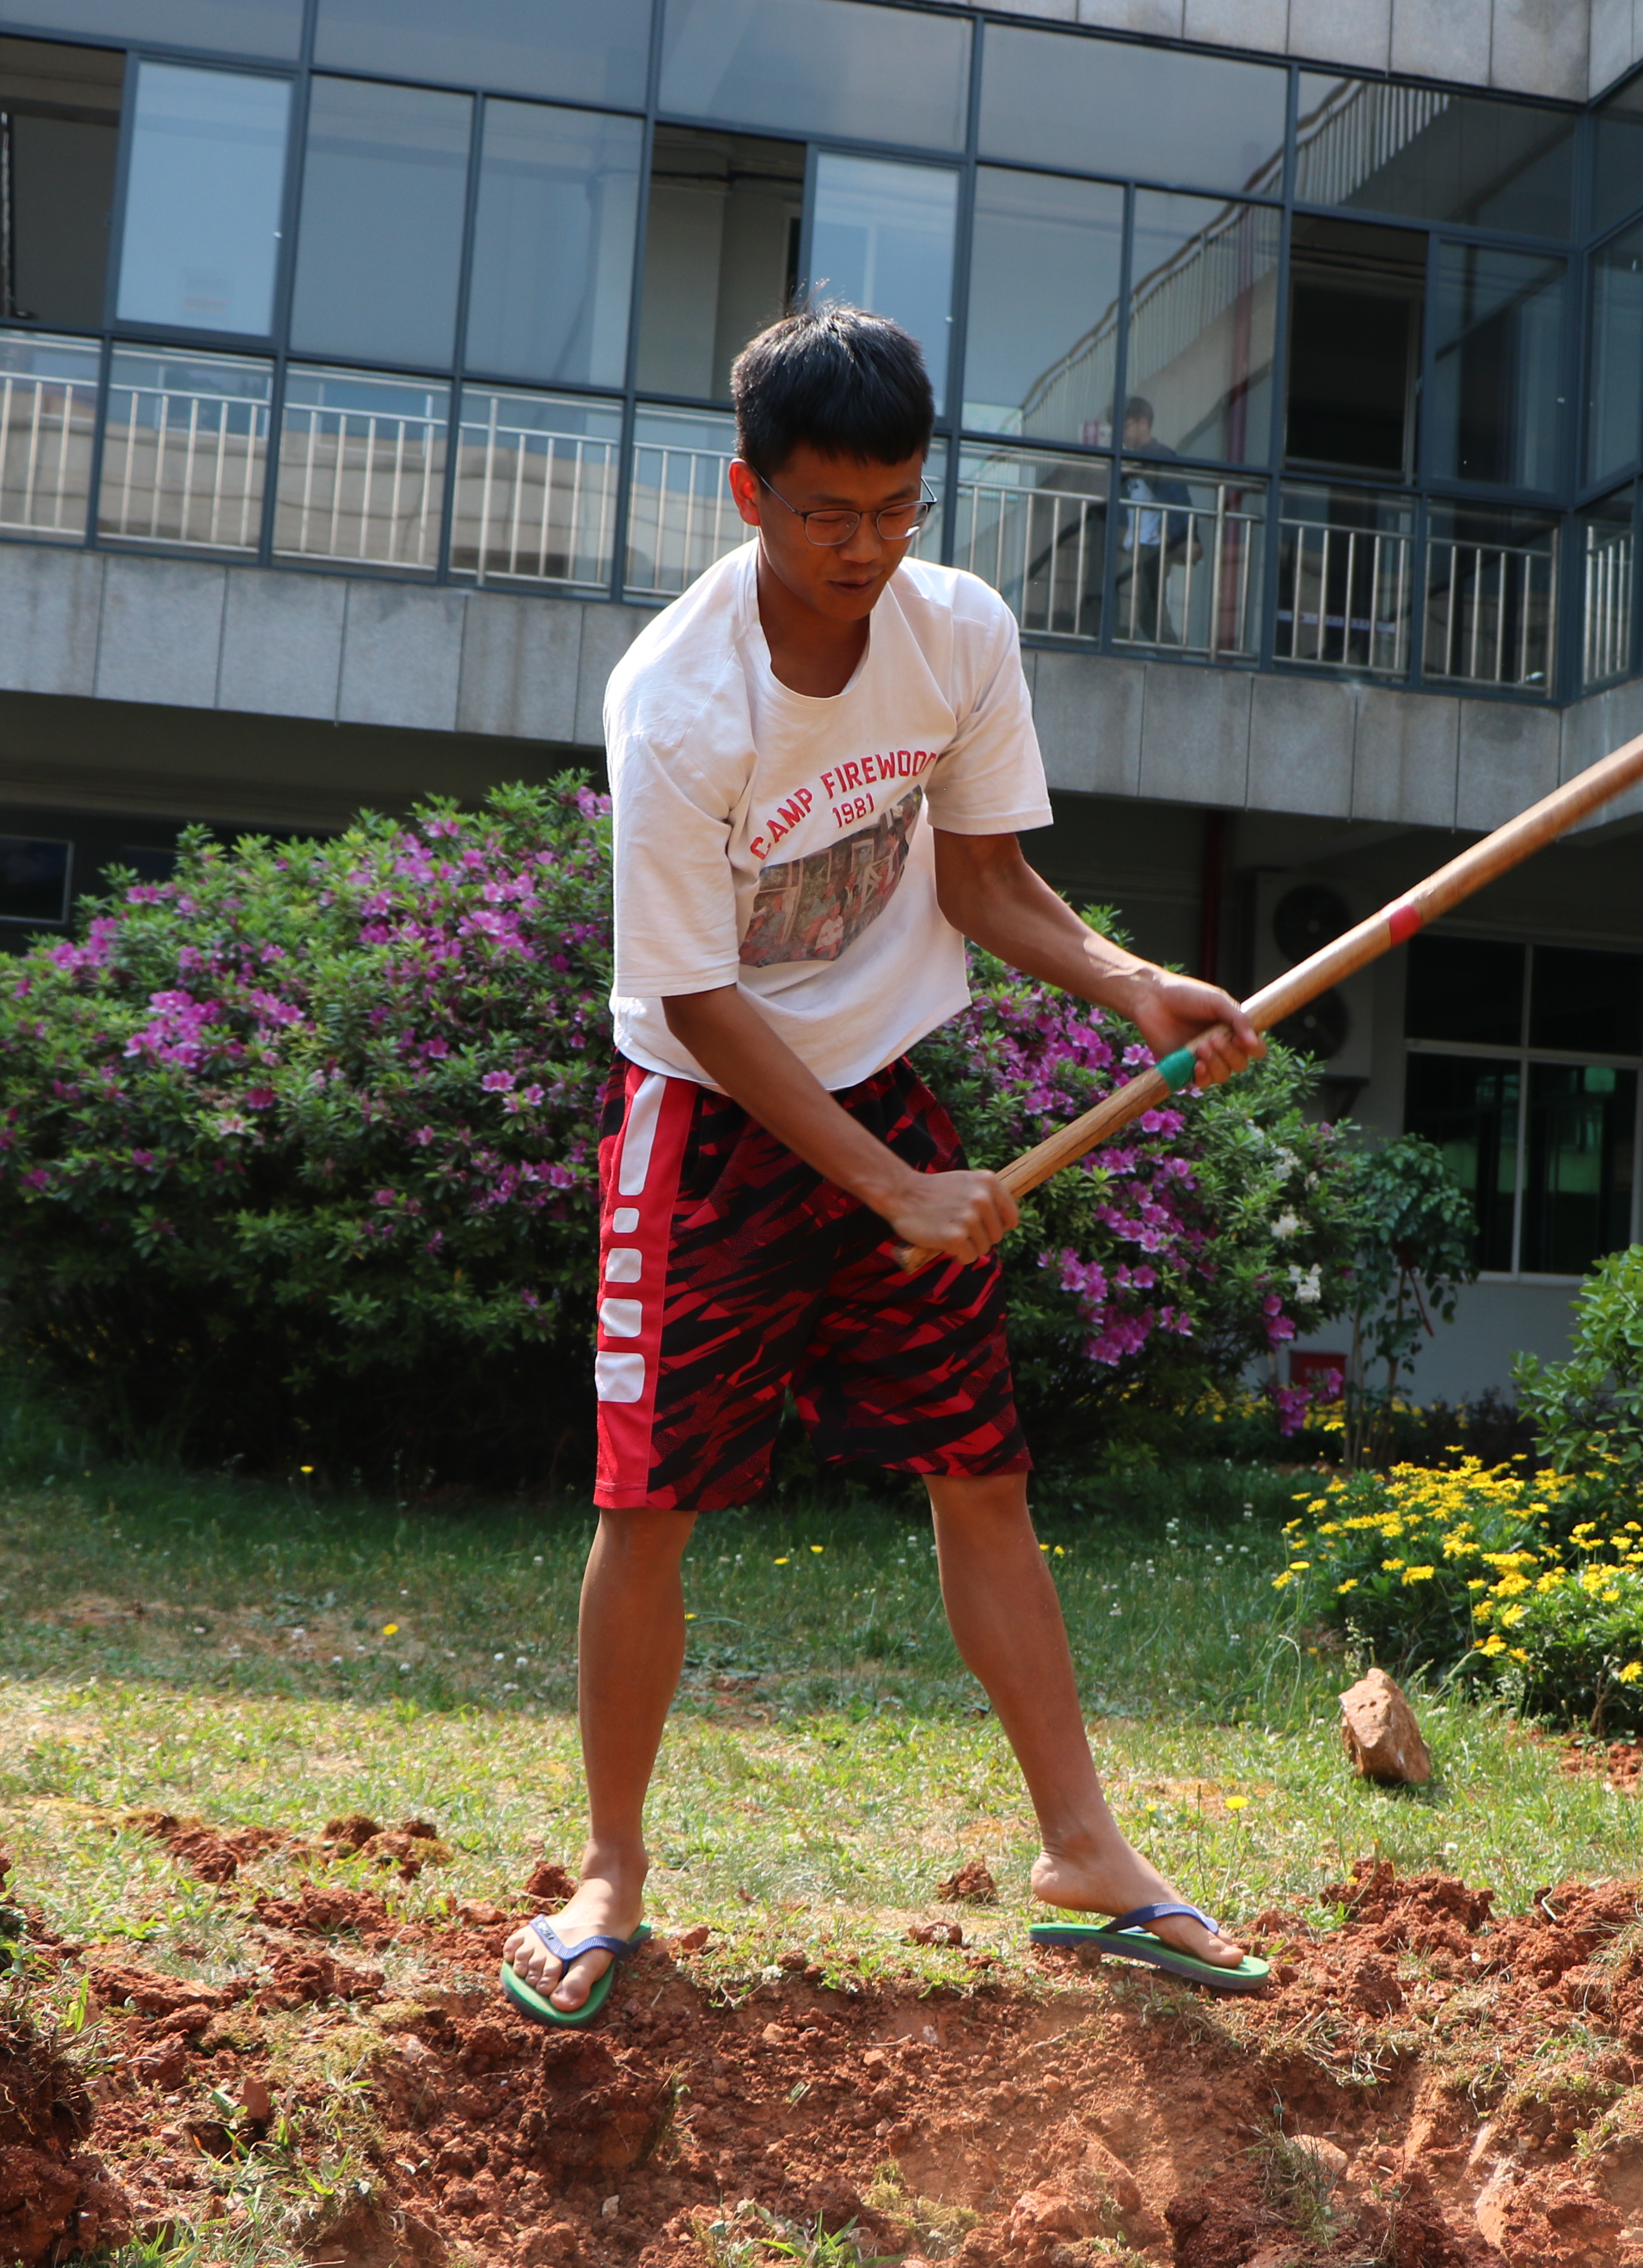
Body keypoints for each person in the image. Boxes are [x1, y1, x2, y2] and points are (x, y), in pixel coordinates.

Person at [500, 305, 1267, 2024]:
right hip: (703, 1121)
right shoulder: (679, 701)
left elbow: (987, 882)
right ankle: (611, 1875)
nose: (866, 549)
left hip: (880, 1083)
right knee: (648, 1501)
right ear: (748, 495)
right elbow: (697, 1000)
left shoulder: (957, 633)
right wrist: (886, 1188)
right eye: (829, 514)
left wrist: (1137, 987)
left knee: (980, 1468)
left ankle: (1086, 1854)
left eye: (899, 507)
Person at [1113, 396, 1197, 648]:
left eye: (1126, 427)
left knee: (1150, 613)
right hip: (1134, 546)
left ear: (1143, 424)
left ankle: (1173, 660)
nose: (1123, 435)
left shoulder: (1159, 456)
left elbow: (1179, 501)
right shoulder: (1128, 460)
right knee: (1140, 609)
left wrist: (1185, 538)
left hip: (1152, 547)